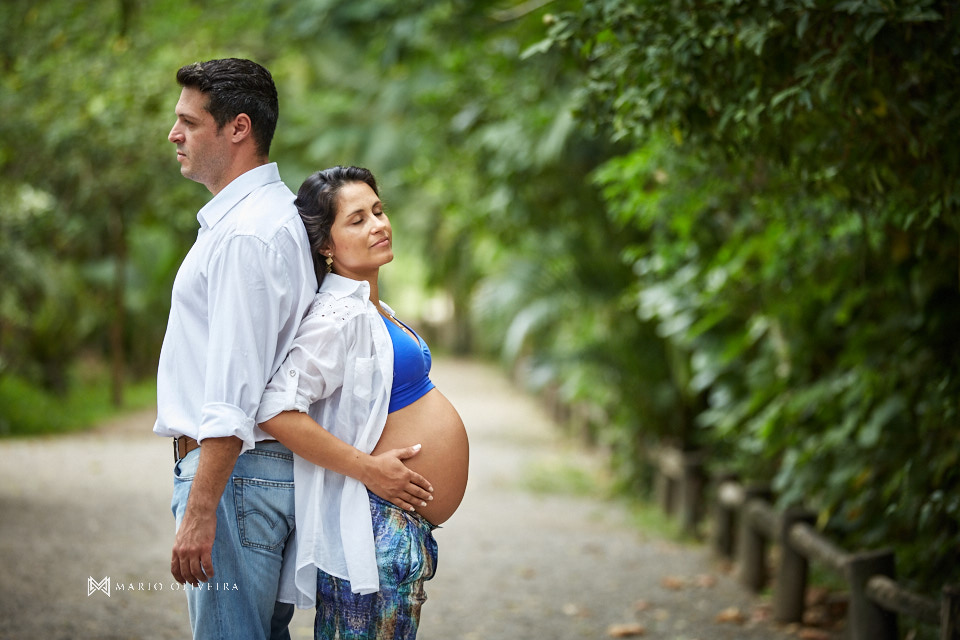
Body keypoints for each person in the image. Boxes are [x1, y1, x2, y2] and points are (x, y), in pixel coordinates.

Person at [154, 60, 432, 640]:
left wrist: (201, 509)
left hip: (236, 478)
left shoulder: (248, 233)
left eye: (189, 122)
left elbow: (235, 390)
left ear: (238, 128)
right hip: (251, 477)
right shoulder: (265, 219)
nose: (174, 134)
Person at [256, 165, 470, 639]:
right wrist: (369, 469)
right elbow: (275, 409)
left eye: (378, 211)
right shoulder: (337, 315)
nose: (378, 224)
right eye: (357, 219)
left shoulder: (369, 308)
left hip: (397, 525)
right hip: (373, 522)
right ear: (326, 246)